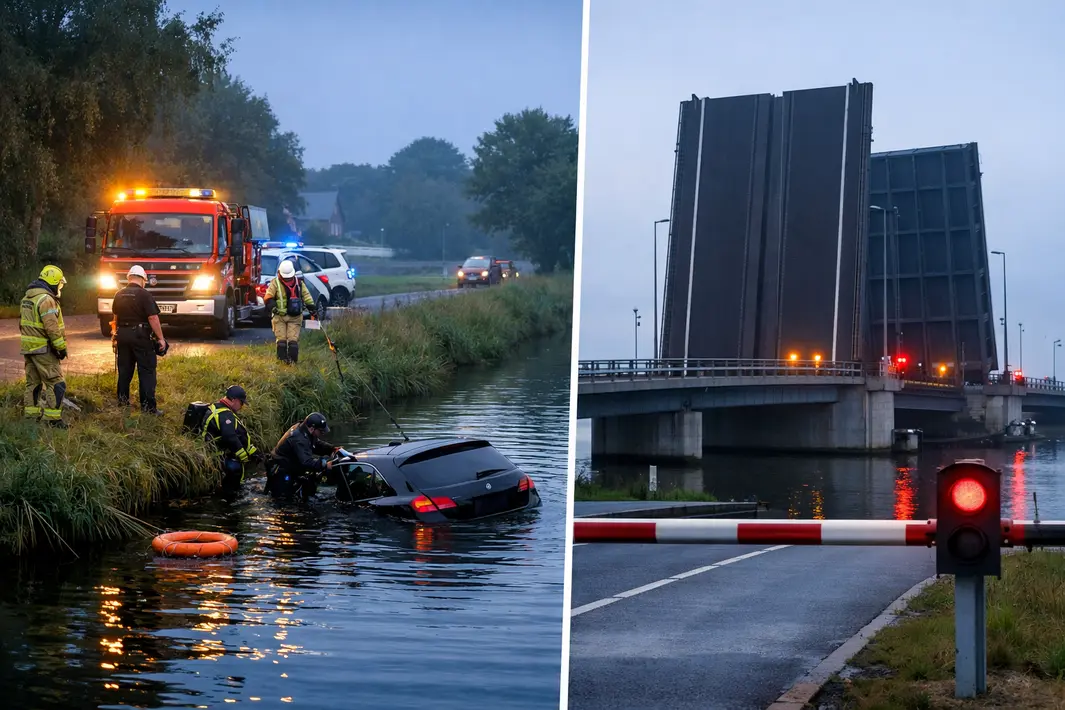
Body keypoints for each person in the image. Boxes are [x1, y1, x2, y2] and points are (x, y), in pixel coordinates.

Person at [111, 265, 167, 414]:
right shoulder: (145, 295)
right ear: (143, 279)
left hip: (122, 336)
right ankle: (148, 408)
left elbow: (115, 318)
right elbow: (153, 317)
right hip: (140, 337)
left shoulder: (118, 294)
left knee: (124, 372)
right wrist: (161, 339)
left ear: (129, 278)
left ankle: (123, 405)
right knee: (147, 371)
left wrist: (114, 336)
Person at [20, 265, 69, 428]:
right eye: (59, 284)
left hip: (29, 349)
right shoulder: (46, 300)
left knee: (32, 383)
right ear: (54, 282)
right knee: (57, 383)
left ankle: (31, 418)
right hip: (44, 349)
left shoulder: (28, 298)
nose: (59, 288)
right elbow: (52, 328)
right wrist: (61, 348)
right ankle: (52, 419)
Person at [264, 412, 341, 499]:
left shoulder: (304, 429)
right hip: (281, 472)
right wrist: (325, 465)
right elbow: (306, 462)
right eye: (321, 431)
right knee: (284, 502)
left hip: (289, 468)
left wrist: (331, 449)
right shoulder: (299, 439)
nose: (322, 433)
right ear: (312, 428)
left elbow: (315, 444)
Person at [201, 385, 260, 493]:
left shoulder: (217, 407)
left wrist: (255, 453)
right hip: (218, 456)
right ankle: (231, 495)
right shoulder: (225, 415)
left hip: (217, 451)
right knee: (235, 469)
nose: (241, 406)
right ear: (234, 400)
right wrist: (243, 456)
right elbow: (230, 437)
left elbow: (239, 435)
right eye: (241, 403)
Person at [263, 258, 317, 364]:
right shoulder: (282, 283)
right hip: (283, 316)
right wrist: (312, 308)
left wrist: (312, 308)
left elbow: (307, 297)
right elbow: (268, 297)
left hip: (290, 317)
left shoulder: (296, 283)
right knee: (283, 341)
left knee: (291, 341)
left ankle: (289, 363)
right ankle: (285, 363)